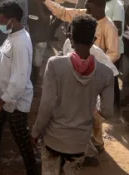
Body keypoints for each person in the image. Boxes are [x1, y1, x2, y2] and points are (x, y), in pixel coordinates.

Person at [31, 14, 115, 175]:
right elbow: (107, 111)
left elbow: (47, 106)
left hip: (54, 138)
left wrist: (35, 132)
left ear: (70, 37)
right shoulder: (105, 73)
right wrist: (90, 105)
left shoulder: (55, 64)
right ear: (94, 39)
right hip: (79, 142)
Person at [0, 1, 37, 175]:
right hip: (4, 96)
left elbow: (19, 79)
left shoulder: (20, 43)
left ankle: (32, 170)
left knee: (21, 139)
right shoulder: (13, 36)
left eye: (2, 20)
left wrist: (1, 102)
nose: (0, 24)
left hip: (14, 102)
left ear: (12, 20)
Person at [27, 0, 52, 85]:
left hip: (40, 37)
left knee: (36, 62)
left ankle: (35, 81)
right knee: (27, 61)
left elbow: (46, 20)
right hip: (27, 34)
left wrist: (39, 4)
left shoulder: (48, 1)